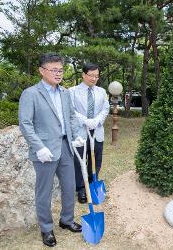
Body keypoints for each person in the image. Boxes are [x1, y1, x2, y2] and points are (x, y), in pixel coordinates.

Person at [19, 53, 84, 247]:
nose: (58, 74)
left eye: (61, 70)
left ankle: (66, 219)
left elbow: (71, 117)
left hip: (65, 146)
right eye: (54, 70)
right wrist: (38, 147)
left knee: (69, 186)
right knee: (44, 192)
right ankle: (46, 229)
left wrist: (76, 136)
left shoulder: (65, 93)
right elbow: (25, 123)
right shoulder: (30, 94)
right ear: (41, 70)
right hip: (44, 151)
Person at [69, 63, 110, 203]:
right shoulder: (73, 91)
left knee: (95, 160)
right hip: (80, 131)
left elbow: (105, 109)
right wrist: (86, 121)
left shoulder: (101, 92)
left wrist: (97, 121)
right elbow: (71, 110)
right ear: (83, 75)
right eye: (91, 75)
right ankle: (81, 189)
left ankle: (92, 186)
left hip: (97, 131)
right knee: (79, 161)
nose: (94, 79)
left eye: (96, 76)